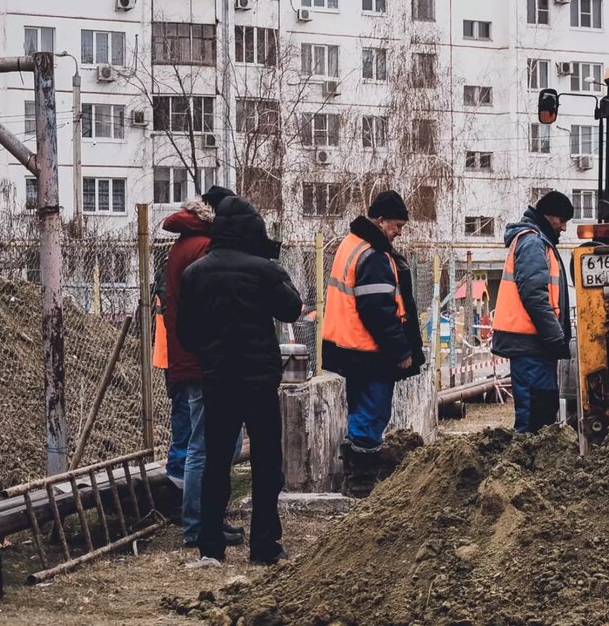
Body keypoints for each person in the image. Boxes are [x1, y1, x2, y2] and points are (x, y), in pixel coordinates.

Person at [178, 194, 302, 566]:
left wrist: (211, 352)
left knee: (216, 463)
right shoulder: (264, 270)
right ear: (253, 232)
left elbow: (185, 333)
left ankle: (210, 546)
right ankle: (264, 546)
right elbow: (292, 308)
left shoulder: (195, 273)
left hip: (218, 379)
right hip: (259, 379)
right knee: (267, 463)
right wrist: (274, 268)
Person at [322, 190, 426, 497]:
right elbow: (379, 310)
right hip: (369, 351)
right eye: (396, 225)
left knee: (360, 412)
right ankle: (363, 482)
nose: (399, 232)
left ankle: (356, 474)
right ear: (380, 221)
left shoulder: (351, 245)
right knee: (372, 412)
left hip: (350, 346)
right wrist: (401, 350)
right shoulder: (374, 256)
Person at [159, 187, 245, 549]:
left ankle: (205, 519)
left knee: (211, 444)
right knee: (205, 446)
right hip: (202, 359)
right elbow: (214, 305)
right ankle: (197, 525)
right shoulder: (204, 248)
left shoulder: (185, 245)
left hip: (189, 355)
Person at [491, 191, 574, 433]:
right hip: (531, 343)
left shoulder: (538, 241)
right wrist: (555, 336)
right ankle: (525, 453)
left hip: (535, 343)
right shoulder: (533, 243)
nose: (564, 227)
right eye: (562, 220)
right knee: (533, 416)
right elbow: (534, 295)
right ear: (548, 216)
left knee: (541, 411)